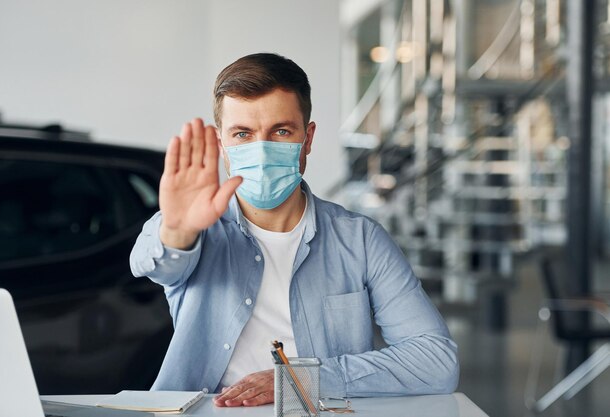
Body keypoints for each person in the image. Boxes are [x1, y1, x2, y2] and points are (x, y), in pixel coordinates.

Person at [130, 52, 459, 407]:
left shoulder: (360, 240)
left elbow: (436, 362)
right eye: (243, 134)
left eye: (281, 131)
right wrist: (179, 230)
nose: (262, 149)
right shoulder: (194, 227)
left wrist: (301, 379)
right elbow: (154, 263)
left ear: (308, 138)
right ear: (221, 143)